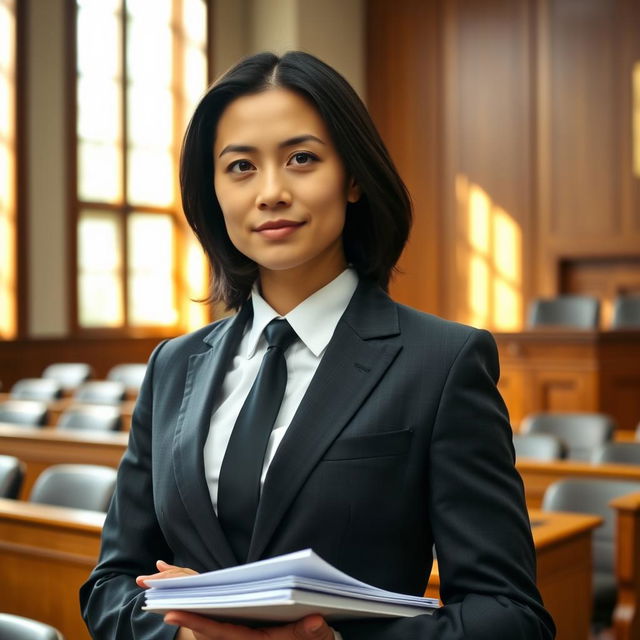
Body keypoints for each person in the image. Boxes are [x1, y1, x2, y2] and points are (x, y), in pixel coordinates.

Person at [80, 51, 555, 640]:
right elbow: (111, 584)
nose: (271, 192)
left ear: (352, 177)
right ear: (214, 191)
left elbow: (510, 616)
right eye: (240, 167)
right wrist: (182, 634)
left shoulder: (442, 362)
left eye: (301, 159)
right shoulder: (173, 366)